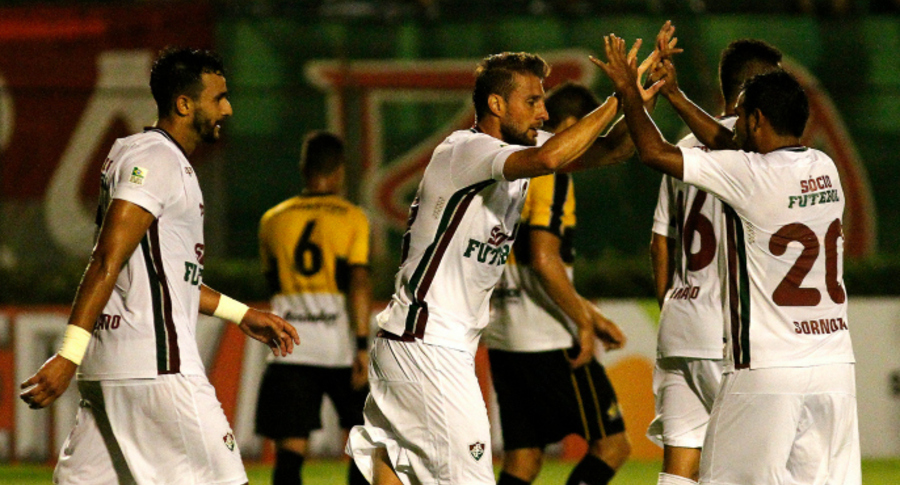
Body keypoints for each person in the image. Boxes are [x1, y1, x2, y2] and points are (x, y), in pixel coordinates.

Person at [346, 38, 667, 485]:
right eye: (532, 101)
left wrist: (637, 101)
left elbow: (614, 150)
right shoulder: (467, 151)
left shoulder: (516, 151)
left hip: (422, 343)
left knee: (398, 473)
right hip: (429, 348)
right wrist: (618, 97)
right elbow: (551, 157)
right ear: (496, 104)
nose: (543, 113)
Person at [19, 47, 300, 485]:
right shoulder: (155, 160)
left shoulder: (149, 156)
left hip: (113, 371)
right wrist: (68, 353)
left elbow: (168, 277)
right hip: (158, 369)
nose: (227, 109)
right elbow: (107, 258)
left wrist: (241, 314)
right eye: (218, 98)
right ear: (184, 104)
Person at [597, 34, 860, 485]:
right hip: (834, 368)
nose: (731, 125)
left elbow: (655, 152)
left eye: (740, 116)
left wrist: (629, 92)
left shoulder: (750, 175)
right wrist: (677, 95)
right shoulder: (824, 167)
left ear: (756, 119)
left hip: (766, 368)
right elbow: (728, 141)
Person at [646, 39, 783, 485]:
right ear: (756, 88)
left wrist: (674, 305)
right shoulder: (756, 150)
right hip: (729, 332)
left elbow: (660, 242)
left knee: (680, 466)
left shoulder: (684, 145)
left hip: (680, 326)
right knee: (753, 466)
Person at [482, 81, 630, 485]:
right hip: (549, 339)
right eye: (588, 132)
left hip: (504, 335)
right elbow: (545, 261)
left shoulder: (503, 167)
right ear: (568, 127)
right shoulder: (551, 175)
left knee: (523, 459)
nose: (591, 144)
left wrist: (591, 314)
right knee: (612, 446)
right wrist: (582, 322)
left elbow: (528, 267)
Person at [255, 131, 371, 485]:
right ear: (339, 171)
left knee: (290, 454)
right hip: (339, 349)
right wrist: (362, 345)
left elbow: (272, 281)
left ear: (303, 168)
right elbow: (359, 283)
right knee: (366, 440)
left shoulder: (272, 219)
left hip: (289, 349)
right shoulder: (352, 217)